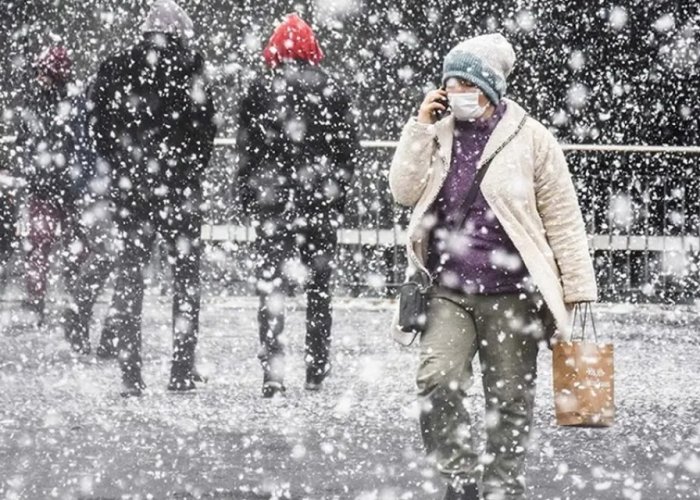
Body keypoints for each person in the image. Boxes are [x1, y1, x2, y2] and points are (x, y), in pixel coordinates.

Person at [389, 34, 598, 500]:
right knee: (437, 379)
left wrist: (578, 288)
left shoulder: (532, 138)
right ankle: (458, 479)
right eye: (450, 82)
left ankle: (503, 486)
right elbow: (403, 191)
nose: (458, 90)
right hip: (447, 288)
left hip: (513, 292)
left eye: (467, 81)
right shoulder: (439, 133)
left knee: (509, 400)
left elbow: (562, 217)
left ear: (490, 85)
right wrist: (419, 125)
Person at [85, 0, 217, 396]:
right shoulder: (192, 68)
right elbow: (205, 130)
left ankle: (131, 374)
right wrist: (186, 170)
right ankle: (180, 369)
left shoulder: (115, 67)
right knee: (186, 280)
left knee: (130, 277)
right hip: (179, 190)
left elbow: (98, 127)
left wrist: (125, 167)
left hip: (131, 190)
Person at [237, 13, 357, 397]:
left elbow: (247, 151)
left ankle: (273, 372)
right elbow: (346, 152)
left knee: (271, 288)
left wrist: (249, 194)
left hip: (274, 205)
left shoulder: (259, 89)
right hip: (319, 203)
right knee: (319, 290)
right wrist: (337, 193)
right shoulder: (332, 89)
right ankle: (316, 369)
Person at [15, 46, 92, 324]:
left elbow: (27, 139)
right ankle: (67, 298)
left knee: (43, 246)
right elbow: (82, 142)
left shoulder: (41, 101)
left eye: (43, 72)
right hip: (62, 185)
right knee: (60, 246)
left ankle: (45, 300)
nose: (39, 77)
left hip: (51, 184)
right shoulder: (72, 100)